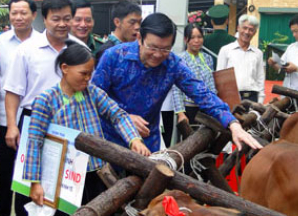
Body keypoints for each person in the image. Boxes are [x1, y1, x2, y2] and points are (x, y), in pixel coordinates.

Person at [24, 42, 150, 216]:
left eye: (90, 73)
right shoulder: (46, 100)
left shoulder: (92, 93)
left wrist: (134, 139)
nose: (87, 78)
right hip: (64, 178)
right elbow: (34, 142)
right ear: (65, 69)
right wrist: (34, 182)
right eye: (83, 73)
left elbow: (117, 114)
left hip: (96, 173)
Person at [93, 13, 262, 156]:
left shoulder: (173, 64)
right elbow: (93, 97)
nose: (158, 55)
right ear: (139, 38)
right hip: (109, 142)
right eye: (152, 47)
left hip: (147, 146)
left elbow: (202, 94)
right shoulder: (113, 57)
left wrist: (232, 124)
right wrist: (125, 118)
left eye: (165, 49)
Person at [3, 0, 83, 216]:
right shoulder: (27, 50)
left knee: (64, 188)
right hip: (33, 124)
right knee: (29, 185)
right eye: (56, 18)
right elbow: (13, 92)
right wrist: (12, 126)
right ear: (44, 19)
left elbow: (86, 89)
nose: (62, 24)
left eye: (67, 18)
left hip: (69, 127)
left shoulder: (80, 50)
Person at [0, 0, 40, 216]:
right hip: (4, 117)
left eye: (23, 13)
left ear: (34, 15)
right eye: (14, 13)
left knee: (29, 169)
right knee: (5, 167)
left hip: (33, 119)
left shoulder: (42, 42)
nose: (18, 17)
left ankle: (25, 215)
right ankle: (2, 212)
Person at [173, 23, 217, 128]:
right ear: (185, 39)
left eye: (199, 37)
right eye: (192, 38)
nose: (196, 41)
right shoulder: (179, 59)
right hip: (189, 109)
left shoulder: (208, 58)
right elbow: (176, 89)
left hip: (207, 107)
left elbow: (212, 84)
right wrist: (180, 113)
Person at [217, 14, 265, 103]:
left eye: (251, 30)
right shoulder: (226, 50)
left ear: (254, 32)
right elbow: (220, 79)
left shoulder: (258, 53)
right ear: (238, 28)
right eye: (245, 28)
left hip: (252, 97)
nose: (247, 32)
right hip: (231, 97)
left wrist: (260, 102)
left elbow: (260, 78)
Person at [203, 4, 236, 70]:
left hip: (209, 76)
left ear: (212, 22)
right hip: (227, 76)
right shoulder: (234, 41)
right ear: (227, 21)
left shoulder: (204, 40)